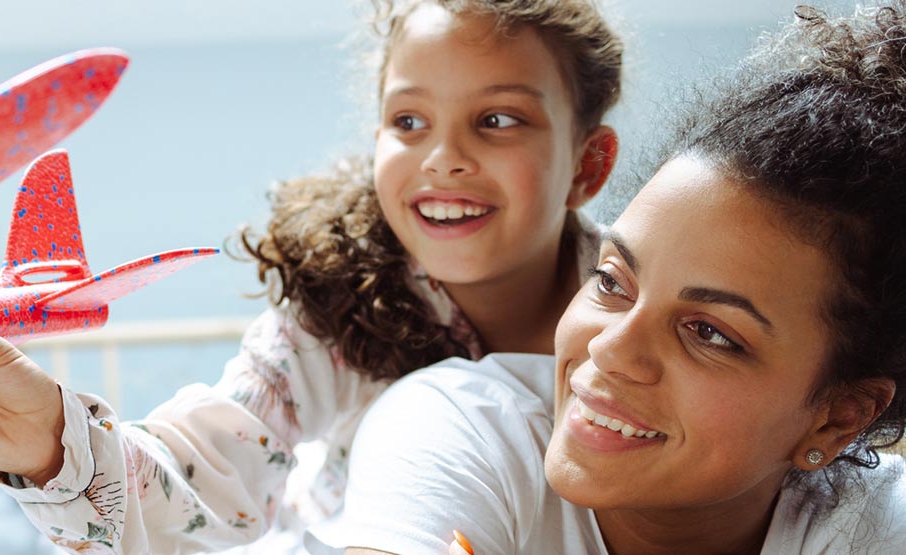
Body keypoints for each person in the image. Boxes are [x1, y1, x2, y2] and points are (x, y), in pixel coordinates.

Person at [0, 0, 624, 552]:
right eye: (408, 122)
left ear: (588, 165)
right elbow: (203, 474)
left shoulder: (642, 310)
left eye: (497, 120)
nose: (442, 157)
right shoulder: (331, 318)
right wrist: (47, 445)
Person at [310, 3, 906, 553]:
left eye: (710, 333)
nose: (607, 348)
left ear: (839, 416)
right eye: (613, 282)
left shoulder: (876, 525)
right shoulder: (455, 433)